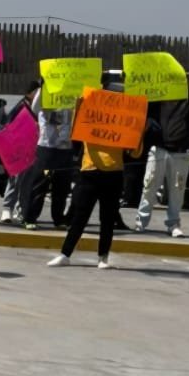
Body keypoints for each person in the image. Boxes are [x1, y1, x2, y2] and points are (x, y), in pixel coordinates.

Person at [49, 115, 146, 269]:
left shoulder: (122, 124)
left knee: (107, 219)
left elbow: (135, 153)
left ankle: (103, 257)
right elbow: (76, 131)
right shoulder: (91, 118)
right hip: (90, 171)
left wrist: (138, 130)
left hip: (114, 172)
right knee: (80, 217)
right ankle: (65, 254)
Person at [135, 73, 189, 238]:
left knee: (177, 191)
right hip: (159, 149)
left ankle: (173, 224)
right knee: (149, 186)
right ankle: (141, 222)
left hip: (179, 152)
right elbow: (139, 97)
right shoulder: (159, 98)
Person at [19, 88, 76, 231]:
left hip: (66, 145)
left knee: (62, 186)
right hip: (47, 145)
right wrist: (44, 87)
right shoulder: (46, 89)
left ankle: (58, 218)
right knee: (40, 183)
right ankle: (30, 217)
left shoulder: (75, 89)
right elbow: (35, 108)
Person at [0, 81, 43, 224]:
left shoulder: (38, 108)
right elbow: (9, 126)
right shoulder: (21, 107)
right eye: (36, 92)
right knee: (15, 180)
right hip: (19, 149)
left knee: (27, 182)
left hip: (32, 149)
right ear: (29, 93)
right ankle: (7, 209)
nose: (38, 95)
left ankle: (22, 210)